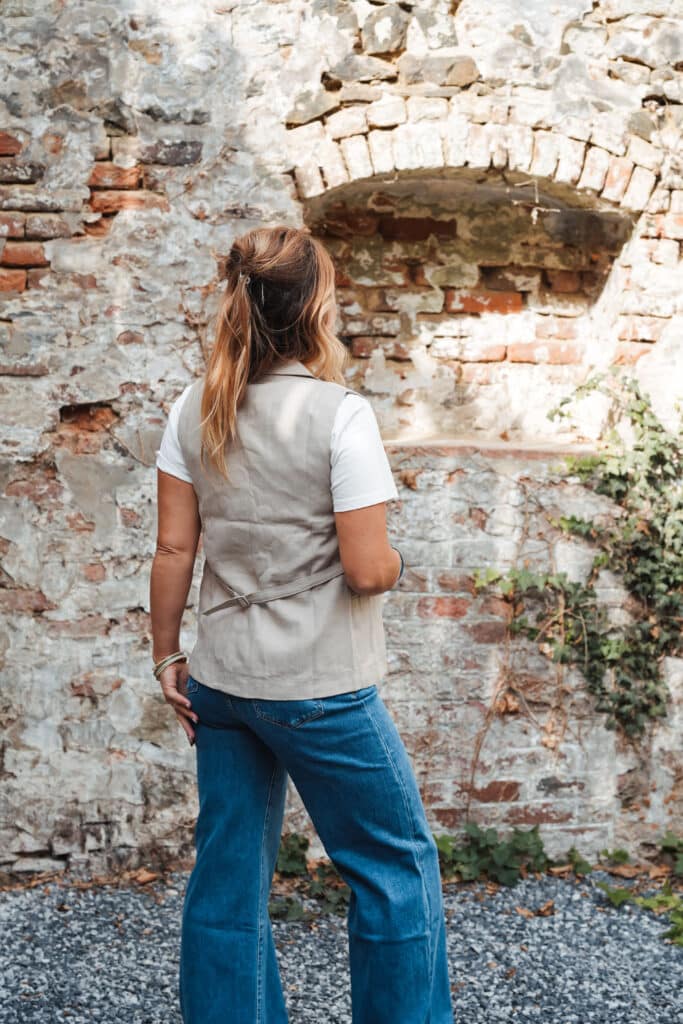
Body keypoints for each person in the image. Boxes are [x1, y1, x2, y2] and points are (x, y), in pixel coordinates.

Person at [149, 224, 455, 1024]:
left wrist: (164, 660)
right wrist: (395, 562)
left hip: (220, 681)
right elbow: (365, 568)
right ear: (317, 308)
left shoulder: (193, 408)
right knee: (394, 867)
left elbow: (173, 549)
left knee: (227, 878)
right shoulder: (340, 415)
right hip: (322, 689)